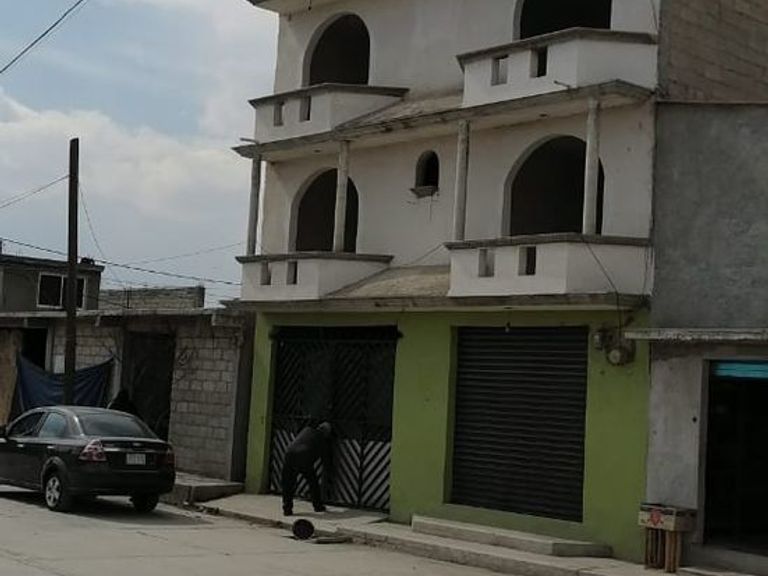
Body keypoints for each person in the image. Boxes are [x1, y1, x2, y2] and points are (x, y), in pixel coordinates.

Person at [282, 422, 332, 516]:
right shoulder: (321, 438)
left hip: (289, 453)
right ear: (326, 433)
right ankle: (317, 506)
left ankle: (287, 508)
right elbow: (325, 457)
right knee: (313, 482)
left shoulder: (307, 430)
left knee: (288, 483)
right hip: (304, 457)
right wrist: (328, 469)